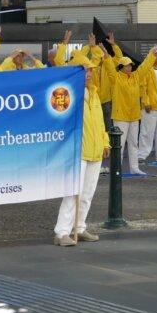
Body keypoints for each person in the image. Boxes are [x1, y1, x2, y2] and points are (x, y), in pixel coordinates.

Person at [53, 55, 109, 247]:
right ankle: (62, 232)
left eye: (91, 70)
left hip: (94, 150)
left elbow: (100, 122)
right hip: (78, 151)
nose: (89, 73)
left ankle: (79, 227)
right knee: (72, 193)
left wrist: (105, 142)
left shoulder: (94, 93)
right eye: (86, 69)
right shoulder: (69, 94)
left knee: (87, 193)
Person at [100, 40, 157, 175]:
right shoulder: (115, 78)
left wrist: (151, 53)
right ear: (120, 67)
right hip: (120, 117)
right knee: (118, 145)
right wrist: (105, 54)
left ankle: (134, 168)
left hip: (133, 116)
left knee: (133, 143)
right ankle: (116, 168)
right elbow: (109, 66)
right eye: (126, 66)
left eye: (130, 66)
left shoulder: (136, 77)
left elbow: (144, 67)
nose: (129, 68)